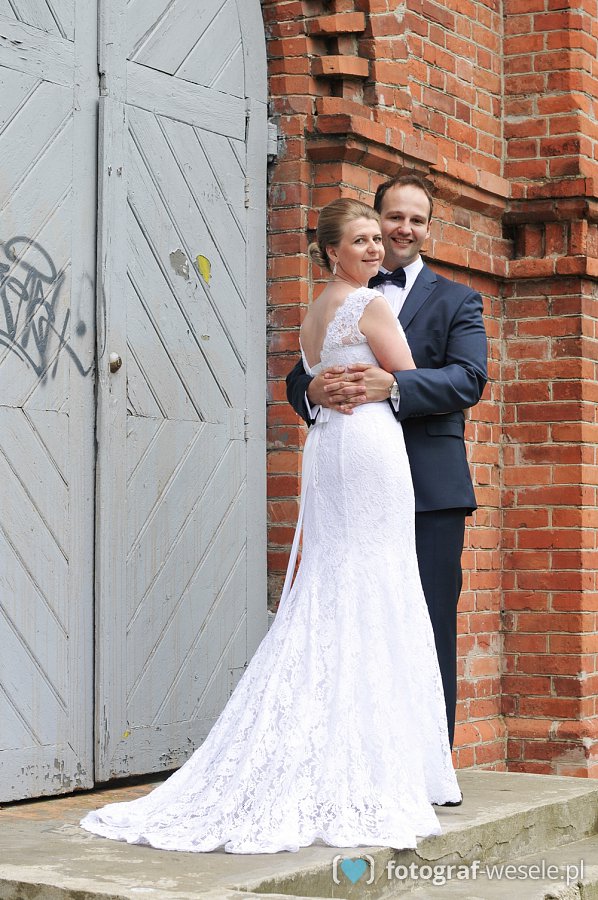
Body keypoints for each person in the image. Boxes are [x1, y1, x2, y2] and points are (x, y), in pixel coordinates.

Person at [80, 198, 460, 855]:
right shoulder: (370, 304)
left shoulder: (315, 310)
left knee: (337, 582)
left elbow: (318, 374)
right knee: (377, 582)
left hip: (332, 449)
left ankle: (345, 745)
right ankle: (373, 763)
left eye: (378, 238)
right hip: (368, 448)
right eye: (362, 240)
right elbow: (404, 375)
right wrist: (369, 382)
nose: (376, 248)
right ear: (333, 251)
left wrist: (324, 388)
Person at [287, 175, 488, 750]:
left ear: (428, 229)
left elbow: (469, 379)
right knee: (355, 617)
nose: (402, 229)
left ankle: (429, 768)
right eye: (393, 217)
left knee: (424, 624)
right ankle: (357, 755)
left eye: (416, 220)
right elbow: (301, 376)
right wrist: (312, 392)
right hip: (356, 478)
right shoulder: (344, 294)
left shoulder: (457, 299)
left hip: (428, 488)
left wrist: (394, 386)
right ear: (374, 220)